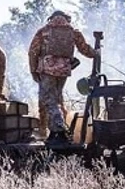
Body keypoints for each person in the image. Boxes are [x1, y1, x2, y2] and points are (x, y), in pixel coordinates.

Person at [28, 10, 97, 144]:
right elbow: (85, 49)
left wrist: (33, 71)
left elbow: (32, 52)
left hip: (47, 69)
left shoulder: (44, 31)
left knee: (49, 100)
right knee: (57, 99)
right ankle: (58, 131)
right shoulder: (73, 32)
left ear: (51, 18)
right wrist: (96, 53)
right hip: (64, 70)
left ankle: (59, 130)